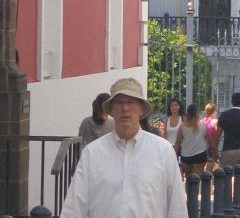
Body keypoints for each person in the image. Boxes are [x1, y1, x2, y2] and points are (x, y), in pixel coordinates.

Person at [61, 77, 186, 218]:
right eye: (119, 103)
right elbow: (74, 208)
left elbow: (177, 208)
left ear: (141, 110)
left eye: (131, 102)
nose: (125, 108)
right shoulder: (92, 153)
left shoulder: (163, 151)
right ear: (111, 111)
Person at [175, 103, 210, 178]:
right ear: (197, 113)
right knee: (196, 179)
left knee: (188, 179)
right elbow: (208, 140)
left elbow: (178, 142)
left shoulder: (182, 126)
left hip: (186, 155)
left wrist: (175, 154)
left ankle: (187, 190)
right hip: (200, 155)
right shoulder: (203, 126)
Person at [201, 102, 220, 170]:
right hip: (212, 147)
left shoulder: (201, 121)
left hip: (202, 148)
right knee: (214, 168)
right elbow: (218, 134)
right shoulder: (215, 121)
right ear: (214, 111)